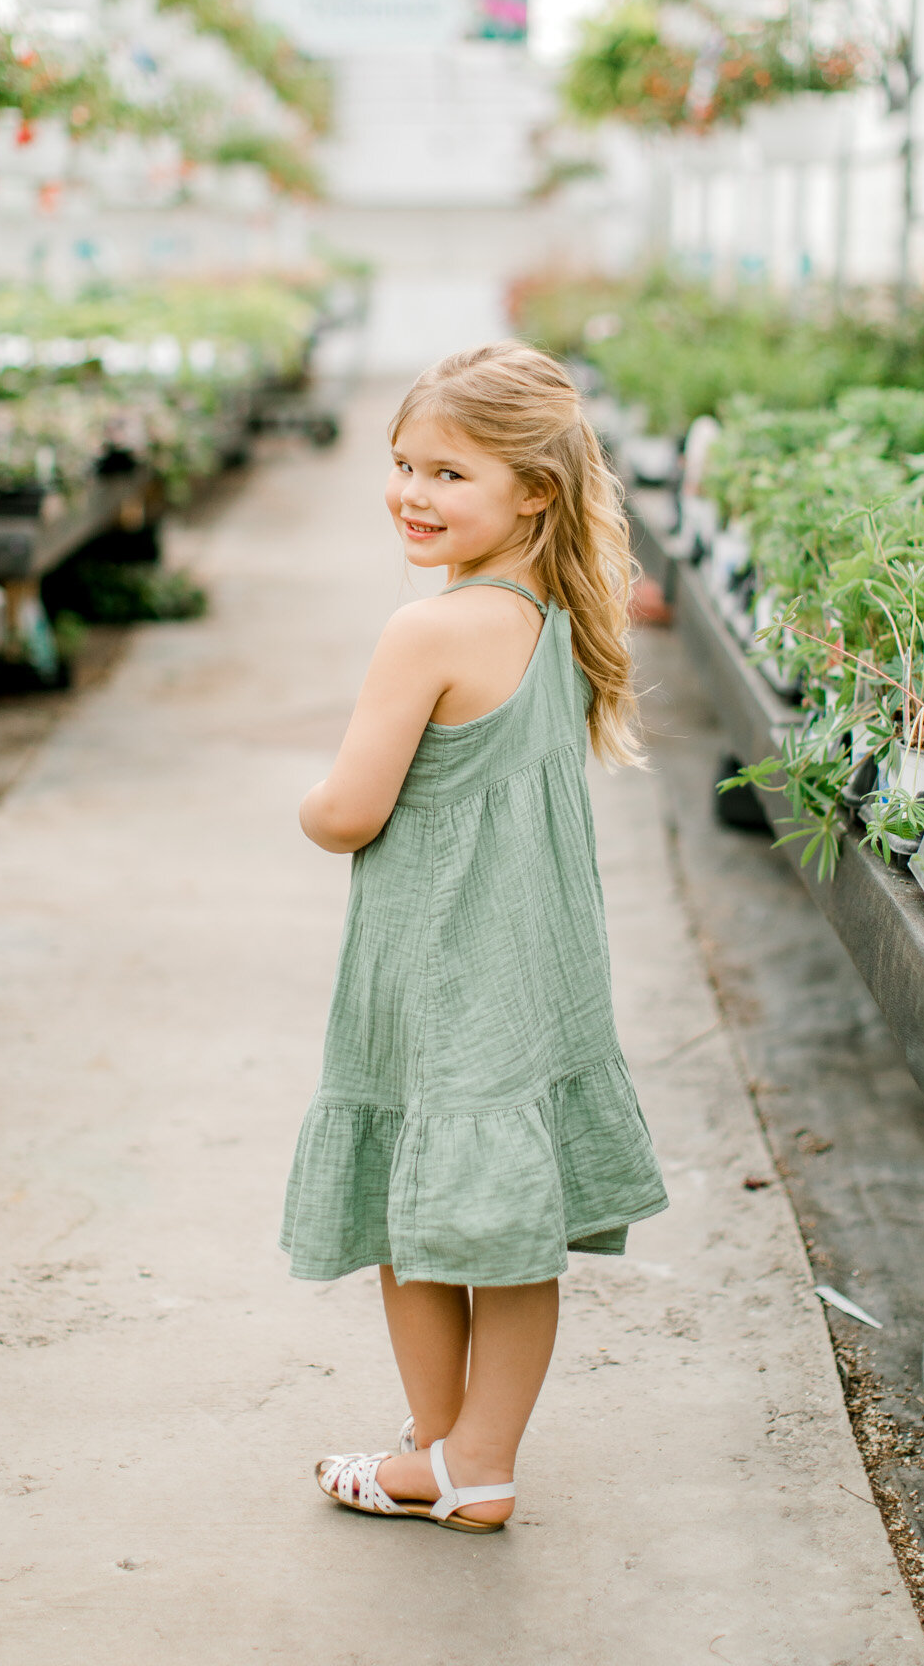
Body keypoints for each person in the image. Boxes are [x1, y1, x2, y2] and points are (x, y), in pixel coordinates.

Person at [281, 341, 668, 1534]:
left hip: (440, 966)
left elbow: (349, 808)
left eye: (450, 472)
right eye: (403, 463)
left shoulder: (428, 631)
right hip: (531, 973)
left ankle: (449, 1453)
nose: (412, 492)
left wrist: (308, 798)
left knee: (419, 1211)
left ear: (533, 491)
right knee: (509, 1228)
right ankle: (470, 1451)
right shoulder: (556, 614)